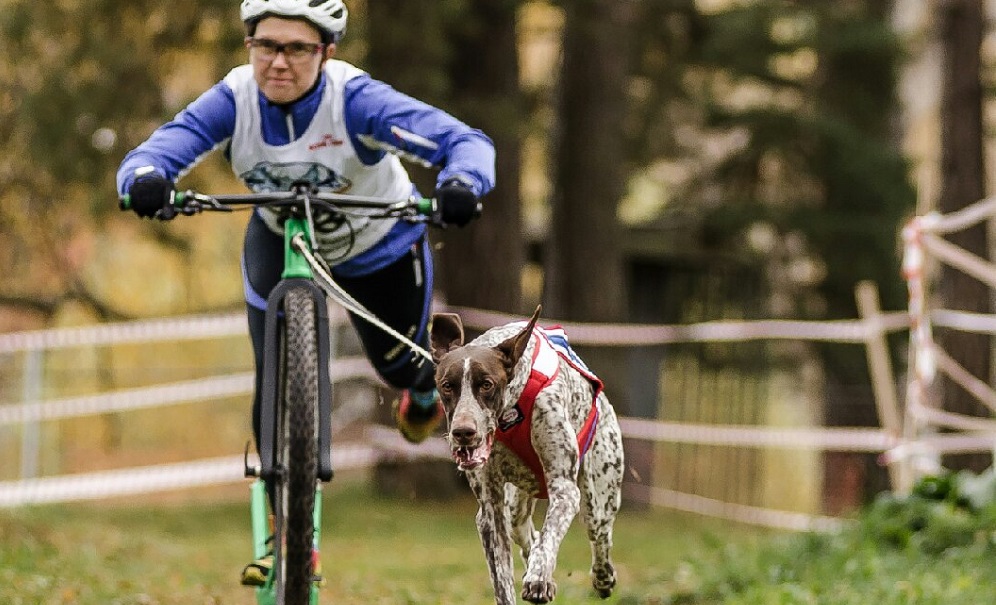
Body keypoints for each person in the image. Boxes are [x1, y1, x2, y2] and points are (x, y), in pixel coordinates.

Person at [116, 0, 495, 587]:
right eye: (266, 45)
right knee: (270, 371)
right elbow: (160, 150)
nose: (279, 62)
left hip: (380, 247)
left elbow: (462, 141)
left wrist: (463, 182)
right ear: (250, 45)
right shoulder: (235, 99)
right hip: (279, 236)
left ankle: (419, 395)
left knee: (403, 369)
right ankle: (285, 535)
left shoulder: (357, 101)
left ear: (326, 52)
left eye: (297, 48)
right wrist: (146, 180)